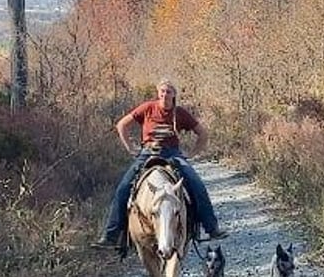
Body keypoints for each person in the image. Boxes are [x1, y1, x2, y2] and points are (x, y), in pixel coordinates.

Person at [92, 79, 228, 249]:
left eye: (169, 91)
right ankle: (111, 235)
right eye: (162, 91)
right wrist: (131, 148)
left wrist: (191, 154)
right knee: (124, 187)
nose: (165, 95)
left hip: (172, 153)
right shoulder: (148, 108)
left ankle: (211, 227)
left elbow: (202, 133)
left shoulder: (180, 113)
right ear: (158, 92)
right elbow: (122, 125)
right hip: (148, 152)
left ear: (174, 94)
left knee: (196, 184)